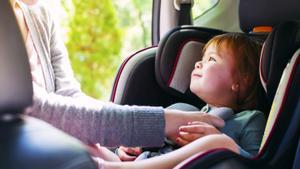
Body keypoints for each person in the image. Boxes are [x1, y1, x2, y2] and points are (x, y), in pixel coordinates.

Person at [10, 0, 224, 150]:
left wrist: (123, 138)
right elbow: (36, 108)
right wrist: (161, 123)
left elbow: (69, 96)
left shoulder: (41, 16)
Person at [92, 33, 267, 168]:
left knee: (218, 142)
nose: (198, 63)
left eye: (211, 59)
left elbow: (253, 163)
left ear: (241, 81)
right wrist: (129, 148)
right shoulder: (183, 111)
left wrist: (218, 142)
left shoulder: (250, 119)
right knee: (88, 146)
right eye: (202, 58)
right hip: (142, 162)